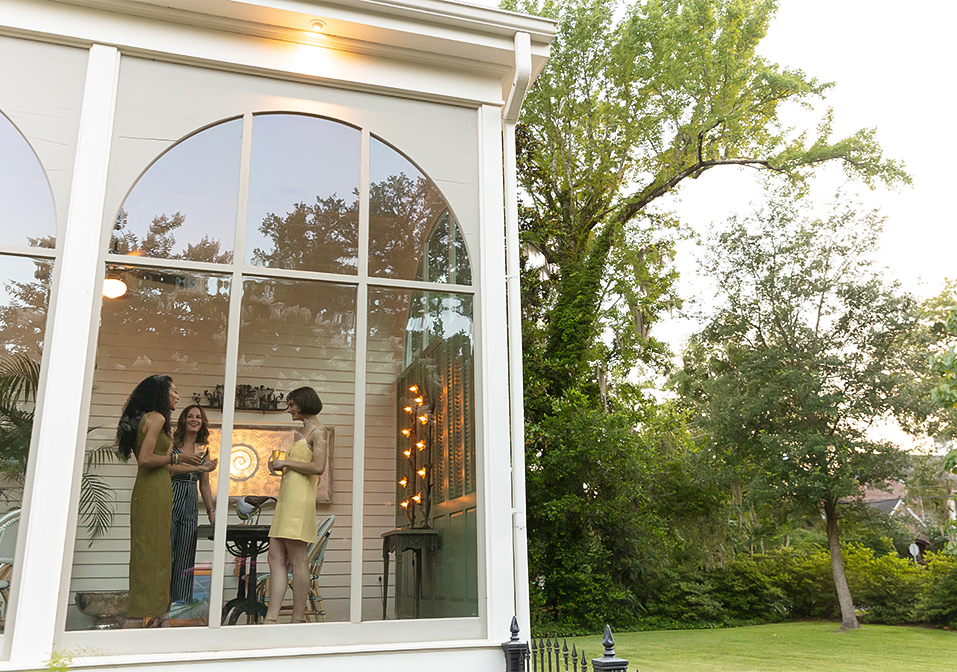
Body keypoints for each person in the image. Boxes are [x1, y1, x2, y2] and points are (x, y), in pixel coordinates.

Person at [117, 375, 202, 627]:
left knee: (155, 553)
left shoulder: (151, 419)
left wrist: (183, 460)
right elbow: (145, 460)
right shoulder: (156, 417)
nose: (177, 396)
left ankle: (153, 615)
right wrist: (179, 459)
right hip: (152, 492)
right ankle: (143, 616)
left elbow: (159, 463)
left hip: (156, 489)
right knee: (152, 554)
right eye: (174, 391)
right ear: (162, 393)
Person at [263, 386, 328, 623]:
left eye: (291, 405)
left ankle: (298, 617)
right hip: (286, 498)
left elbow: (318, 467)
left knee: (297, 555)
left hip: (299, 501)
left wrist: (286, 462)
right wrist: (282, 466)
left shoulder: (318, 432)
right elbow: (297, 465)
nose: (289, 409)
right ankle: (271, 618)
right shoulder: (300, 432)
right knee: (274, 555)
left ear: (303, 403)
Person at [168, 405, 218, 605]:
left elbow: (204, 484)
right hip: (171, 495)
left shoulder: (202, 448)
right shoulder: (174, 443)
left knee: (186, 555)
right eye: (190, 416)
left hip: (190, 500)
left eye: (198, 416)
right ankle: (160, 605)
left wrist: (210, 511)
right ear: (183, 420)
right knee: (166, 552)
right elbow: (167, 469)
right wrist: (198, 466)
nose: (194, 419)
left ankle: (180, 605)